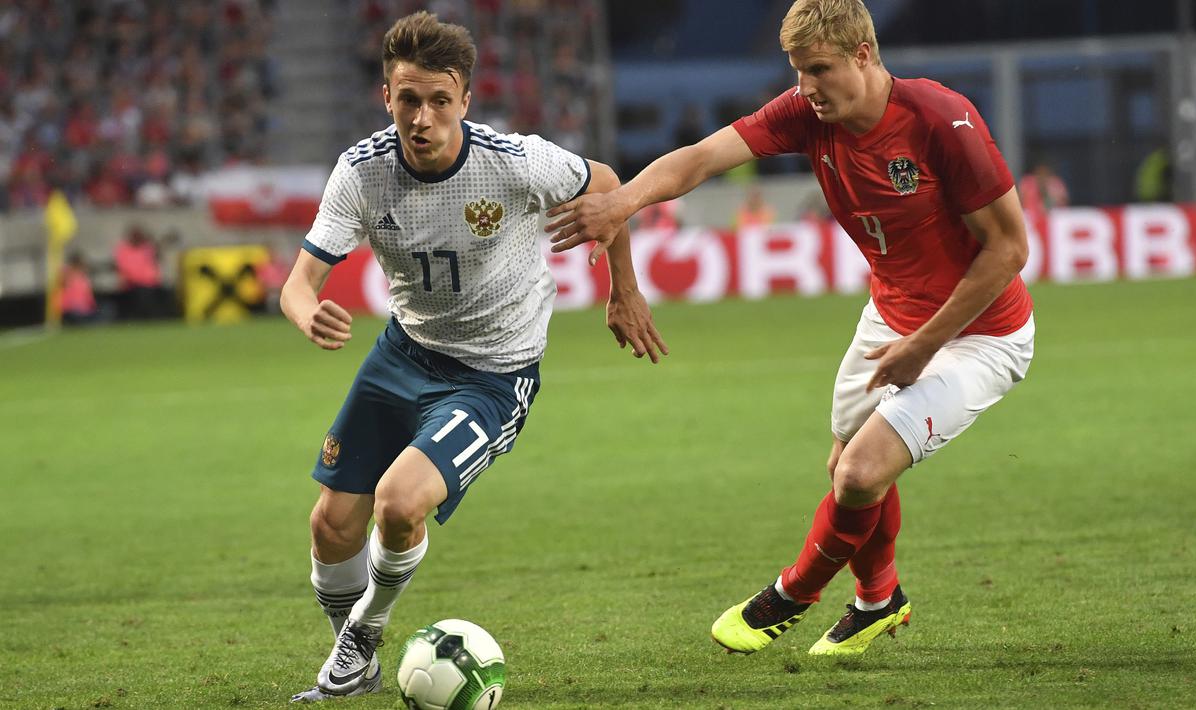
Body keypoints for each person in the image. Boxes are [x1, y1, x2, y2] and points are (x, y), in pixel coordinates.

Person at [545, 0, 1033, 658]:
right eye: (797, 70)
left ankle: (791, 592)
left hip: (981, 334)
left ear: (863, 54)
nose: (805, 86)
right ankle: (877, 599)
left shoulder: (940, 119)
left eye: (819, 69)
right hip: (890, 316)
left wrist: (921, 347)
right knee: (844, 470)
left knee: (859, 473)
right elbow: (700, 157)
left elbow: (1007, 250)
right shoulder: (806, 113)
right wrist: (621, 200)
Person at [279, 11, 666, 703]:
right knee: (330, 525)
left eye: (436, 100)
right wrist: (308, 313)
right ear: (386, 98)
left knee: (399, 504)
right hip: (403, 353)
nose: (420, 117)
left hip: (492, 377)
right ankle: (356, 657)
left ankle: (363, 633)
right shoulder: (362, 173)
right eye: (407, 99)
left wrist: (624, 293)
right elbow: (297, 284)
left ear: (464, 98)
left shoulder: (513, 162)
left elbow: (605, 182)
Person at [1017, 159, 1069, 226]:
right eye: (1039, 173)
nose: (1042, 176)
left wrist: (1049, 196)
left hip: (1052, 221)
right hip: (1030, 221)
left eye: (1045, 173)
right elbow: (1019, 201)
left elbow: (1064, 202)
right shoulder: (1027, 182)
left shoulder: (1056, 184)